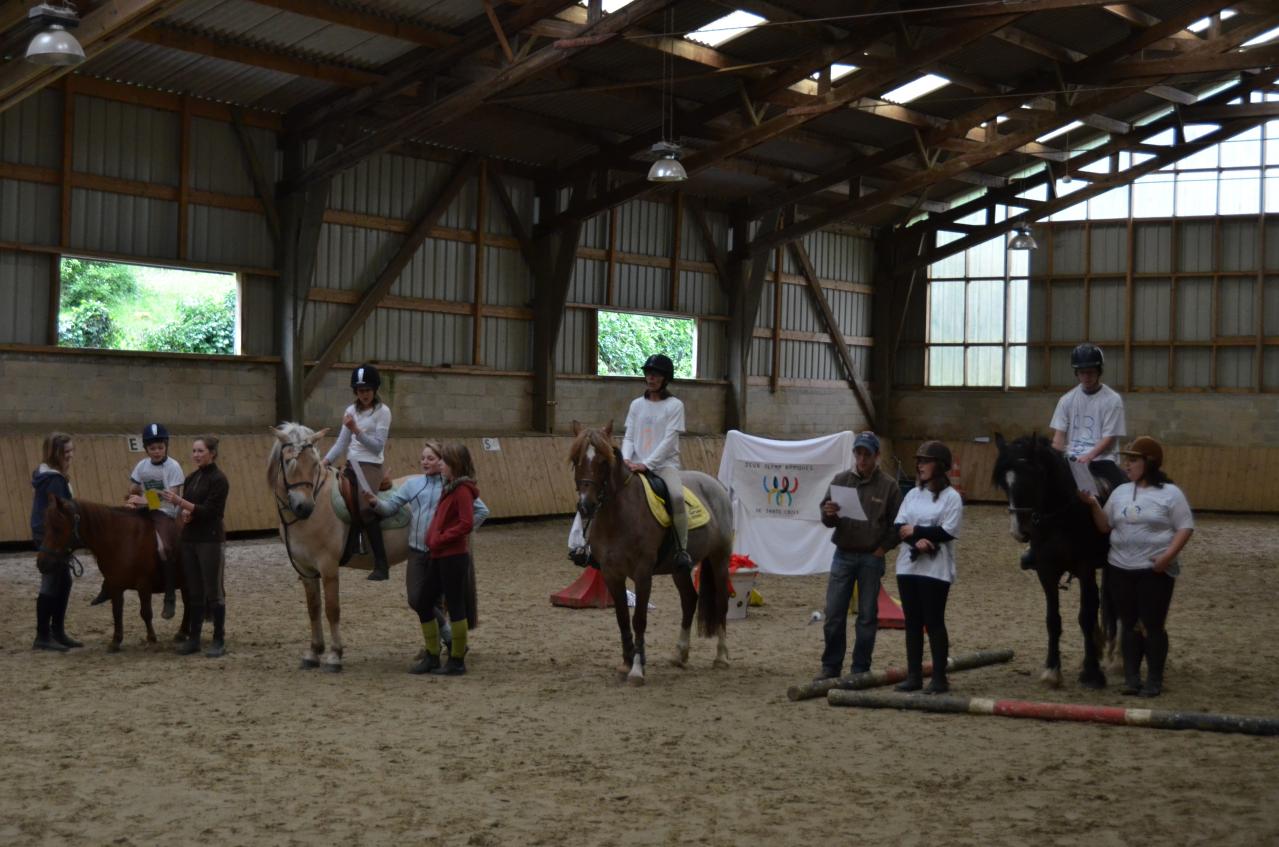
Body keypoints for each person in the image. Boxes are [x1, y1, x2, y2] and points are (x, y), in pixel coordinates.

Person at [1080, 436, 1193, 698]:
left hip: (1154, 570)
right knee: (1128, 624)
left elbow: (1185, 527)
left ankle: (1154, 679)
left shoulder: (1170, 494)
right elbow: (1105, 526)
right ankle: (1132, 679)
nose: (1126, 465)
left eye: (1133, 460)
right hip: (1120, 569)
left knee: (1152, 625)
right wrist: (1094, 505)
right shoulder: (1120, 492)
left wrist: (1168, 556)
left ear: (1149, 463)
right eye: (1126, 460)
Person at [368, 440, 490, 674]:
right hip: (419, 551)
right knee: (418, 599)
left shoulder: (454, 487)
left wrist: (451, 536)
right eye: (423, 458)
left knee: (444, 603)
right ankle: (445, 645)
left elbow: (476, 514)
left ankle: (445, 655)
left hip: (444, 553)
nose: (426, 462)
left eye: (433, 458)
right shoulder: (415, 485)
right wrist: (374, 503)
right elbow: (391, 507)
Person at [1022, 343, 1127, 569]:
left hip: (1103, 460)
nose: (1086, 376)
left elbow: (1109, 438)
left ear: (1099, 371)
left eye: (1090, 372)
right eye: (1081, 372)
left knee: (1121, 488)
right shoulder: (1067, 400)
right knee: (1042, 493)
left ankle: (1117, 542)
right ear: (1076, 373)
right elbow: (1059, 437)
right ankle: (1035, 546)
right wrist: (1054, 459)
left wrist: (1089, 456)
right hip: (1072, 460)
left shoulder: (1112, 400)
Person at [815, 431, 902, 680]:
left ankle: (860, 668)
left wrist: (881, 549)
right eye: (858, 454)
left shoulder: (889, 487)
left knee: (866, 617)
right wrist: (829, 512)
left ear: (877, 456)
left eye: (867, 455)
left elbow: (898, 524)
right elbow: (826, 518)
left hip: (870, 558)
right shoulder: (840, 481)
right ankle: (831, 665)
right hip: (843, 554)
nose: (862, 460)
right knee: (834, 613)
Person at [892, 441, 963, 695]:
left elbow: (947, 530)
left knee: (933, 621)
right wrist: (916, 540)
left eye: (925, 461)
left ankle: (940, 678)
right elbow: (899, 525)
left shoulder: (952, 498)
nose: (920, 465)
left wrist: (918, 532)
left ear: (940, 466)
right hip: (908, 566)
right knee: (912, 621)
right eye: (918, 461)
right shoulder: (912, 494)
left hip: (935, 569)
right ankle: (914, 675)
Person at [93, 423, 185, 615]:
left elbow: (171, 495)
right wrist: (132, 499)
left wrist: (145, 499)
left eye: (160, 447)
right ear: (146, 449)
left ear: (165, 446)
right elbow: (133, 487)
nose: (157, 451)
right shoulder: (142, 466)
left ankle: (170, 594)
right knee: (118, 540)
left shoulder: (173, 466)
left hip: (165, 512)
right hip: (144, 510)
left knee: (164, 547)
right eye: (152, 448)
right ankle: (108, 585)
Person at [621, 353, 691, 570]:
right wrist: (625, 458)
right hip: (633, 463)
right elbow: (629, 437)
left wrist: (647, 465)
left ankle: (681, 550)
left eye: (656, 375)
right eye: (649, 374)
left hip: (663, 466)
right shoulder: (636, 405)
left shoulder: (674, 405)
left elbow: (669, 441)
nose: (651, 378)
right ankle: (585, 545)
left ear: (664, 379)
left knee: (677, 497)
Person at [323, 364, 393, 581]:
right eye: (360, 391)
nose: (363, 395)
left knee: (365, 506)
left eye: (367, 390)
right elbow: (341, 443)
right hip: (351, 463)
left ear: (375, 390)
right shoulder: (350, 411)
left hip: (371, 465)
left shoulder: (383, 412)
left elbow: (377, 446)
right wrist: (324, 461)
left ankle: (381, 564)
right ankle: (346, 548)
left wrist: (356, 430)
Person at [162, 436, 230, 658]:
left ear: (212, 453)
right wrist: (185, 513)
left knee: (213, 591)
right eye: (194, 451)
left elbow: (211, 512)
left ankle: (219, 639)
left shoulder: (219, 480)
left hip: (210, 540)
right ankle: (194, 638)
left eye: (200, 451)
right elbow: (191, 508)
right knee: (194, 590)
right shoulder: (192, 478)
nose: (196, 455)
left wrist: (180, 503)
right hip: (190, 539)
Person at [416, 444, 480, 676]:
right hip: (440, 554)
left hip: (453, 556)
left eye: (444, 461)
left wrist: (440, 537)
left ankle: (456, 660)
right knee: (423, 601)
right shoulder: (450, 488)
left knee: (455, 605)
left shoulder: (462, 490)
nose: (440, 464)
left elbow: (466, 523)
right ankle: (433, 655)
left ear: (455, 464)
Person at [31, 432, 81, 652]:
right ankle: (43, 634)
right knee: (51, 582)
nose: (70, 455)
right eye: (66, 452)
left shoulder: (49, 475)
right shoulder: (54, 479)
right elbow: (62, 511)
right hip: (51, 536)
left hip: (46, 532)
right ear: (56, 453)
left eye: (71, 450)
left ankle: (56, 630)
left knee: (63, 581)